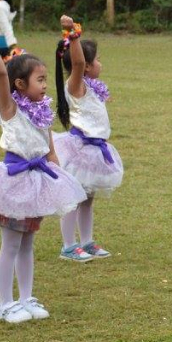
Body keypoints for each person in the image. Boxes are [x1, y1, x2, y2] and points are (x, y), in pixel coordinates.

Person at [0, 15, 86, 324]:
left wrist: (58, 175)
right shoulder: (10, 108)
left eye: (45, 79)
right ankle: (5, 304)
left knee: (28, 244)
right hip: (13, 183)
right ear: (19, 85)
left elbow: (49, 147)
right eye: (39, 80)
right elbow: (0, 73)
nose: (45, 85)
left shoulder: (42, 111)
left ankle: (26, 298)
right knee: (11, 244)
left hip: (37, 181)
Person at [52, 16, 125, 262]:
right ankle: (68, 246)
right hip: (79, 149)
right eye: (98, 59)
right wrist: (73, 34)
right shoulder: (76, 85)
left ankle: (87, 241)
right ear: (86, 66)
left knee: (87, 200)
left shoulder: (91, 86)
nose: (100, 63)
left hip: (95, 150)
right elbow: (78, 62)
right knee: (73, 199)